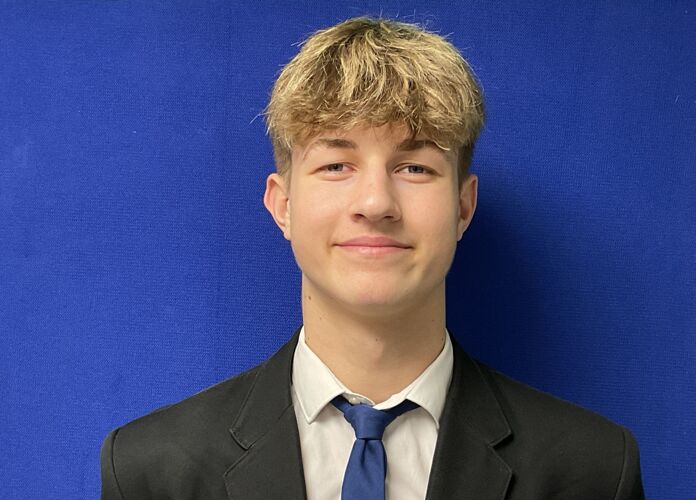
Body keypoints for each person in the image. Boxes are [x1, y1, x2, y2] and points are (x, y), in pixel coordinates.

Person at [101, 16, 644, 500]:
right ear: (283, 205)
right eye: (336, 165)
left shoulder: (592, 472)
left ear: (462, 207)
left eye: (415, 167)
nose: (376, 203)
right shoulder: (150, 473)